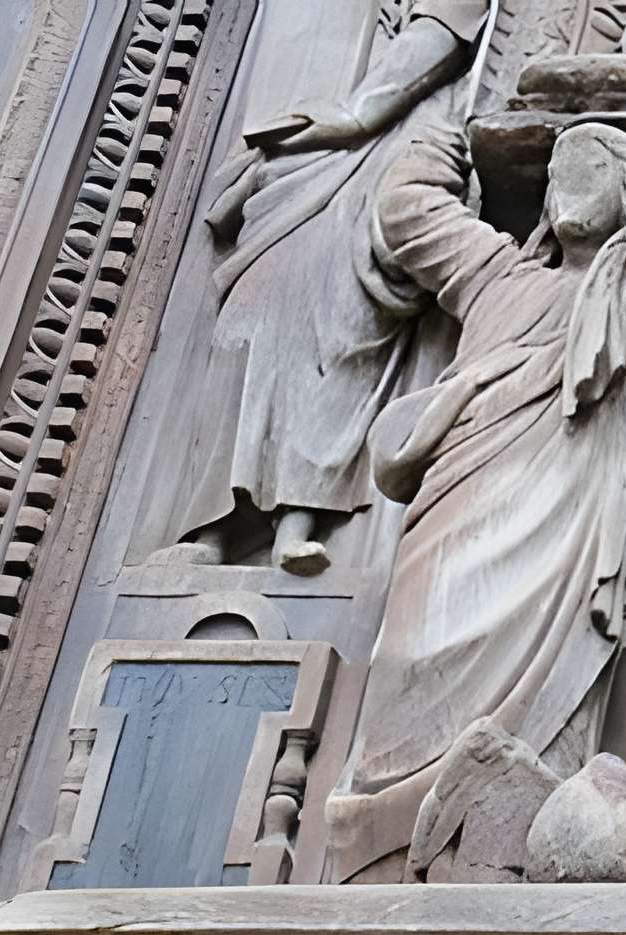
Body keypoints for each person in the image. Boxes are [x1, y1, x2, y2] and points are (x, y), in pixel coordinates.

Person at [321, 119, 626, 882]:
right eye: (559, 168)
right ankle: (380, 864)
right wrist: (434, 140)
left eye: (594, 164)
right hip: (463, 497)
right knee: (411, 662)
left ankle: (511, 857)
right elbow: (409, 214)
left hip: (575, 522)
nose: (568, 180)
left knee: (554, 693)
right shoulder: (497, 274)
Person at [168, 0, 480, 573]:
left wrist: (339, 117)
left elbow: (397, 78)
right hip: (316, 168)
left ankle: (296, 523)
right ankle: (216, 524)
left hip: (386, 167)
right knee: (247, 327)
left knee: (337, 334)